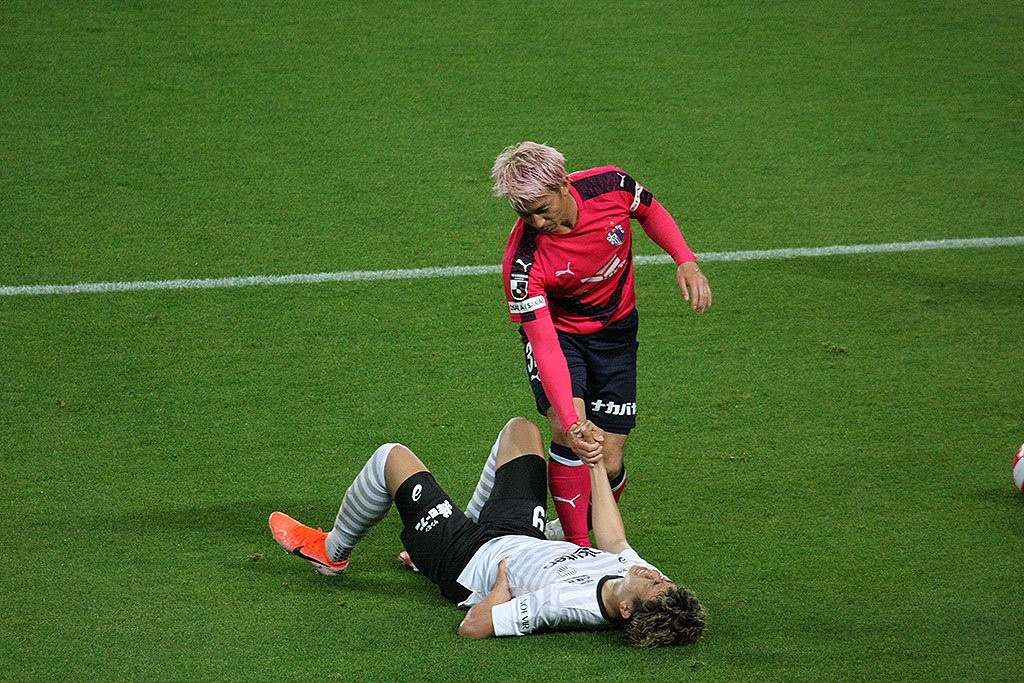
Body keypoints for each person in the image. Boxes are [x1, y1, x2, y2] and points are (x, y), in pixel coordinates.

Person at [268, 417, 706, 647]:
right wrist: (594, 465)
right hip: (519, 536)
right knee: (522, 431)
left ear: (626, 610)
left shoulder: (562, 606)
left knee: (391, 457)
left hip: (466, 559)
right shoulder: (639, 579)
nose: (653, 574)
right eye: (663, 579)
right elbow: (616, 543)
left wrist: (498, 588)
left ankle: (332, 551)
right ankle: (455, 525)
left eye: (653, 585)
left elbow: (474, 626)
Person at [493, 142, 713, 547]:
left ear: (562, 184)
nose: (536, 222)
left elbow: (649, 210)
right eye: (524, 214)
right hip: (561, 338)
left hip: (616, 335)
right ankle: (578, 548)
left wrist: (685, 259)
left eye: (542, 209)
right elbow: (544, 344)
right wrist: (571, 420)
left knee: (609, 461)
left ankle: (571, 531)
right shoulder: (523, 263)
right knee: (571, 434)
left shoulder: (610, 186)